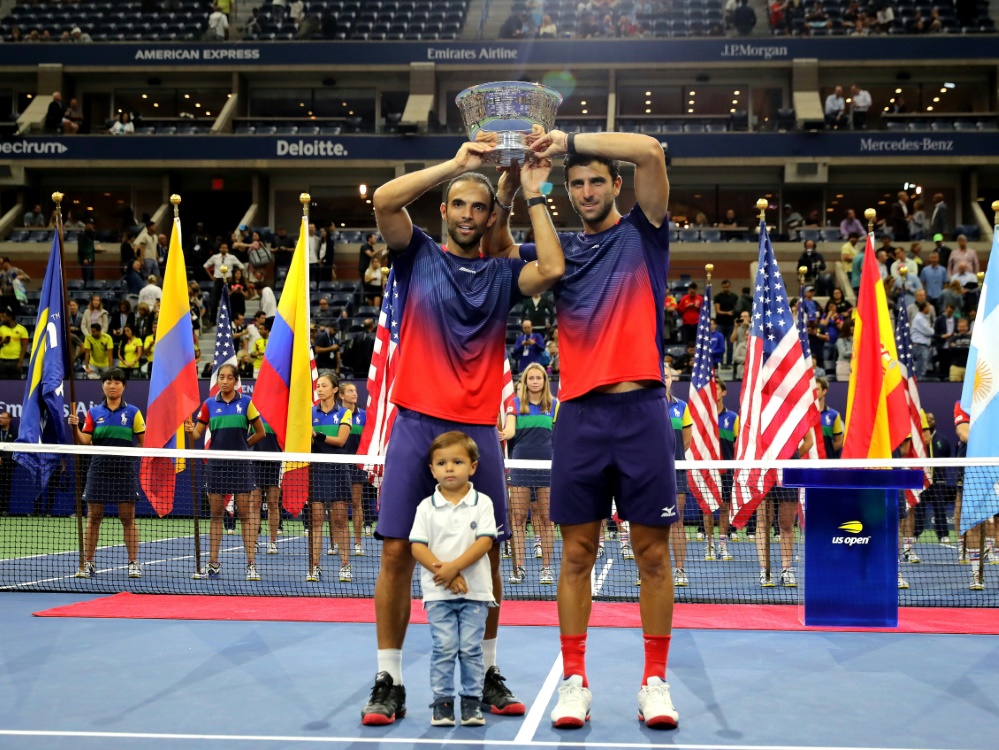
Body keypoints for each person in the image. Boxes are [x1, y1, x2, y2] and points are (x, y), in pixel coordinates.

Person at [359, 139, 562, 726]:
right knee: (397, 550)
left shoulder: (502, 275)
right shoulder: (417, 253)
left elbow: (551, 269)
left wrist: (529, 191)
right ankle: (388, 679)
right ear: (445, 212)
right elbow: (383, 201)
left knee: (488, 555)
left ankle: (486, 672)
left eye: (479, 207)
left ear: (489, 216)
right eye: (459, 205)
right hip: (415, 421)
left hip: (476, 432)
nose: (469, 214)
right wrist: (457, 167)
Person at [489, 128, 679, 728]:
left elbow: (650, 150)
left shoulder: (644, 234)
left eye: (598, 180)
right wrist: (514, 186)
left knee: (652, 551)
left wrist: (567, 140)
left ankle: (654, 683)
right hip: (581, 417)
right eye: (578, 184)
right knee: (576, 551)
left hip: (642, 410)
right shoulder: (557, 248)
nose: (589, 189)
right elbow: (496, 249)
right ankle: (575, 680)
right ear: (566, 193)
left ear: (616, 185)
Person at [410, 431, 496, 728]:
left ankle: (472, 704)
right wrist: (442, 572)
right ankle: (442, 704)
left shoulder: (482, 503)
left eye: (457, 461)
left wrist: (453, 568)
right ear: (432, 469)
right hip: (438, 594)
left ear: (472, 466)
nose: (449, 468)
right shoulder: (425, 506)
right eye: (442, 463)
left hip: (476, 593)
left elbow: (485, 542)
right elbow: (418, 546)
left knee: (471, 649)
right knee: (444, 648)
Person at [185, 364, 266, 581]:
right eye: (221, 377)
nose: (225, 381)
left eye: (230, 378)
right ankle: (213, 563)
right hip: (216, 466)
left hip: (241, 465)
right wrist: (190, 430)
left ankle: (251, 564)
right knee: (215, 515)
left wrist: (243, 445)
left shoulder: (246, 403)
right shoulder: (209, 404)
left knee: (246, 515)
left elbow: (261, 432)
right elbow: (197, 435)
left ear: (236, 381)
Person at [68, 369, 145, 579]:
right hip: (99, 469)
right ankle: (89, 563)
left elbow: (144, 443)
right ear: (102, 385)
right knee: (93, 517)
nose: (112, 385)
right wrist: (76, 428)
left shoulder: (133, 412)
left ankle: (133, 563)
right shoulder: (93, 413)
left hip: (123, 471)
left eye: (117, 382)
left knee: (128, 518)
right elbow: (84, 440)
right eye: (108, 382)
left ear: (123, 386)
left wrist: (130, 458)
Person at [501, 363, 556, 586]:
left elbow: (562, 437)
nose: (534, 381)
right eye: (531, 378)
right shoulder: (514, 404)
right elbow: (511, 431)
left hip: (547, 468)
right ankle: (519, 568)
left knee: (546, 519)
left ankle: (546, 569)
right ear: (525, 382)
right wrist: (500, 434)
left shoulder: (555, 406)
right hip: (520, 466)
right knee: (518, 519)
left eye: (538, 378)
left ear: (544, 381)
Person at [307, 372, 354, 583]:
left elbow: (341, 440)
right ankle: (315, 566)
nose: (319, 389)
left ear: (335, 390)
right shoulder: (309, 413)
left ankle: (345, 565)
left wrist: (317, 435)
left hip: (337, 469)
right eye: (318, 385)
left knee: (340, 520)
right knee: (316, 520)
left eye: (324, 385)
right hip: (316, 470)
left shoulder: (344, 413)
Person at [340, 381, 371, 547]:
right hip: (339, 462)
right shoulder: (337, 414)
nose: (355, 393)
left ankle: (358, 542)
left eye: (355, 391)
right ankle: (337, 542)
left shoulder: (364, 415)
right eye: (350, 391)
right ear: (342, 395)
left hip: (358, 463)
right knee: (339, 504)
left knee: (356, 502)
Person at [253, 414, 283, 557]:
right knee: (254, 504)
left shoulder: (279, 408)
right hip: (255, 460)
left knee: (272, 503)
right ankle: (254, 541)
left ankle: (272, 541)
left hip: (275, 459)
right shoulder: (252, 408)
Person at [713, 280, 737, 367]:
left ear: (729, 286)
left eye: (727, 287)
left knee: (730, 345)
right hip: (720, 324)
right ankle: (721, 362)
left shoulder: (734, 297)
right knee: (721, 344)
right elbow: (717, 311)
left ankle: (729, 362)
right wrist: (727, 313)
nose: (725, 289)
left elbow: (736, 308)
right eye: (724, 287)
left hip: (731, 324)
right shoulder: (718, 297)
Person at [0, 307, 28, 379]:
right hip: (2, 362)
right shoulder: (1, 329)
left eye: (4, 317)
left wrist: (20, 361)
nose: (2, 318)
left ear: (10, 317)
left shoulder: (22, 329)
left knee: (15, 383)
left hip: (15, 362)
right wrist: (3, 342)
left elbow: (24, 347)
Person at [0, 411, 14, 516]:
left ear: (9, 419)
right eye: (0, 417)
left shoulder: (14, 431)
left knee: (6, 486)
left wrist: (5, 459)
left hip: (8, 465)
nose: (1, 419)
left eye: (3, 418)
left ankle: (4, 509)